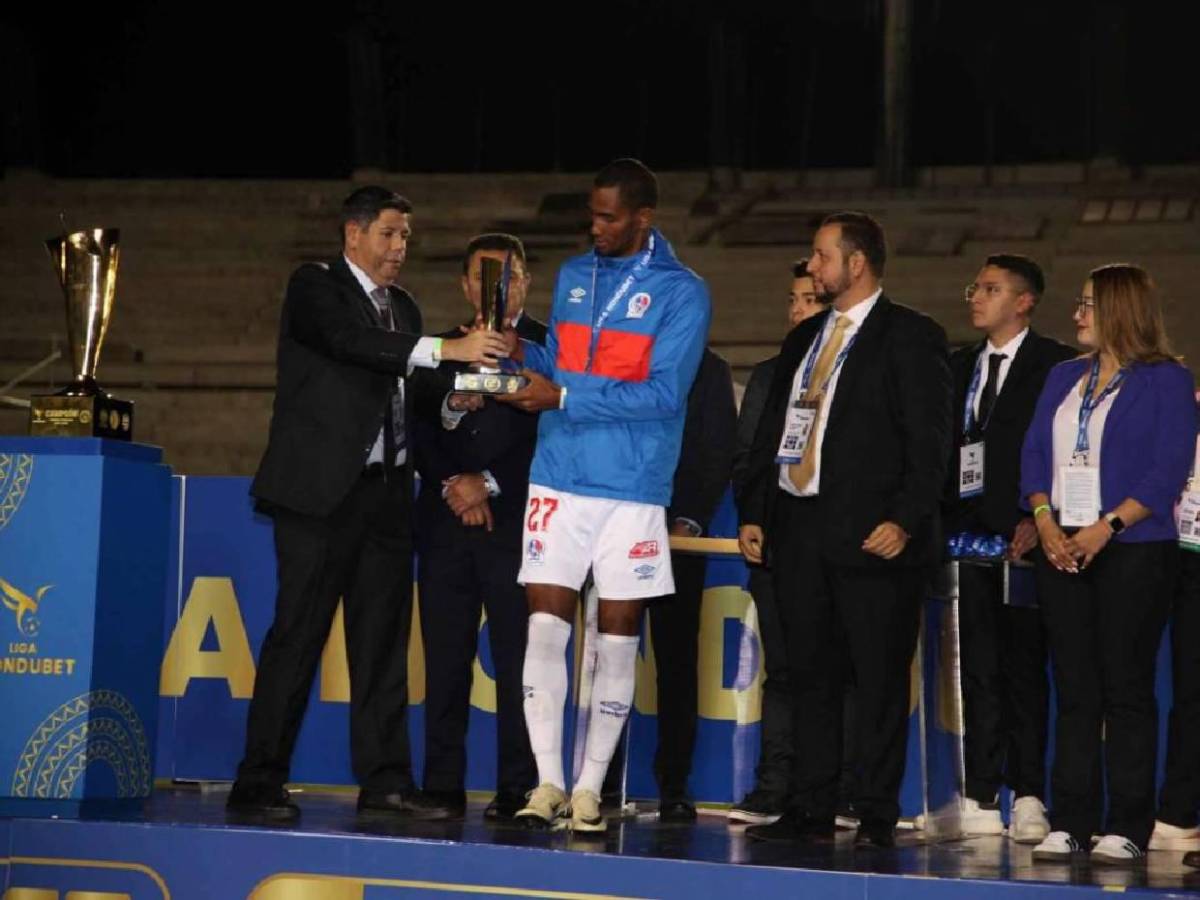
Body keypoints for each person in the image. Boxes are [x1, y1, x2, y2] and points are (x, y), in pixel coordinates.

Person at [227, 186, 507, 822]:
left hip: (386, 496)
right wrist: (446, 349)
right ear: (353, 235)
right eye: (388, 234)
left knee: (382, 644)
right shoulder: (315, 285)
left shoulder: (403, 306)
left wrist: (450, 397)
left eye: (405, 236)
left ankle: (385, 781)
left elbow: (413, 382)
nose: (399, 247)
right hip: (321, 496)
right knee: (298, 637)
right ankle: (258, 779)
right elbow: (352, 344)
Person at [494, 158, 710, 833]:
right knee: (544, 626)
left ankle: (590, 791)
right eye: (592, 214)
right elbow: (556, 365)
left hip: (632, 485)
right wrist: (513, 367)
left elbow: (663, 394)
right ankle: (548, 783)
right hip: (559, 472)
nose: (596, 227)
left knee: (617, 640)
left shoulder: (683, 292)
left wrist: (562, 393)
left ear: (644, 217)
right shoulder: (571, 276)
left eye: (610, 217)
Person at [739, 211, 952, 849]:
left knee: (879, 679)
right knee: (809, 677)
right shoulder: (804, 340)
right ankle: (810, 804)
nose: (812, 267)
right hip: (800, 529)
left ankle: (877, 813)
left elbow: (930, 441)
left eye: (821, 256)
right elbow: (775, 430)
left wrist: (905, 520)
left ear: (856, 263)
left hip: (874, 537)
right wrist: (756, 510)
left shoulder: (911, 335)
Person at [1021, 264, 1196, 866]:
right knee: (1074, 690)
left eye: (1089, 305)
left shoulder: (1167, 381)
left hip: (1134, 551)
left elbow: (1166, 469)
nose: (1076, 315)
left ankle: (1126, 823)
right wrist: (1045, 521)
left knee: (1126, 690)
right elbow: (1034, 456)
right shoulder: (1062, 376)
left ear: (1122, 309)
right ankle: (1070, 819)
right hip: (1061, 547)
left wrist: (1105, 527)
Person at [415, 233, 546, 821]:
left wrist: (487, 483)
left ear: (527, 282)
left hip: (517, 525)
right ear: (466, 285)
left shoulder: (551, 345)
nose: (501, 286)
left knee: (520, 663)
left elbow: (553, 436)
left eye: (512, 276)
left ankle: (518, 786)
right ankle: (441, 784)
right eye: (488, 276)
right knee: (445, 660)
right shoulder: (440, 347)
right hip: (445, 523)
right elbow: (415, 426)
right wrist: (454, 482)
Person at [945, 254, 1074, 842]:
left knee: (1023, 668)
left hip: (1026, 538)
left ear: (1024, 301)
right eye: (976, 287)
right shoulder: (960, 364)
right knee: (975, 668)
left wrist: (1036, 515)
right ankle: (979, 791)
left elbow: (1061, 447)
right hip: (965, 542)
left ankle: (1028, 792)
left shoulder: (1056, 366)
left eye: (991, 289)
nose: (976, 296)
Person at [728, 258, 825, 826]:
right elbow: (748, 459)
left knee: (833, 671)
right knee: (783, 669)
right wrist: (751, 516)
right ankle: (775, 787)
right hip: (776, 547)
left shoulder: (847, 375)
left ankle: (834, 790)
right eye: (792, 300)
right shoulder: (767, 374)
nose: (796, 311)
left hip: (831, 547)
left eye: (809, 300)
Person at [647, 346, 737, 822]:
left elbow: (717, 448)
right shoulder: (617, 355)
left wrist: (689, 520)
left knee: (677, 661)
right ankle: (594, 781)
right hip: (616, 525)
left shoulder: (709, 368)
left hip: (679, 538)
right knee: (604, 658)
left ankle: (674, 783)